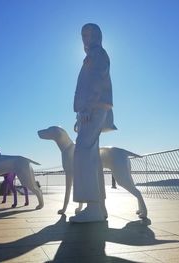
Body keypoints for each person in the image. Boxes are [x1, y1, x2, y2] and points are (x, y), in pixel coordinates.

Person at [70, 23, 116, 223]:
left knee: (83, 153)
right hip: (94, 109)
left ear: (97, 36)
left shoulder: (97, 54)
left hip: (94, 108)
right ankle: (99, 207)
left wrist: (87, 107)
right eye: (83, 35)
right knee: (92, 156)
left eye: (89, 34)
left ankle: (93, 207)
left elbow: (96, 81)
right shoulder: (95, 54)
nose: (85, 38)